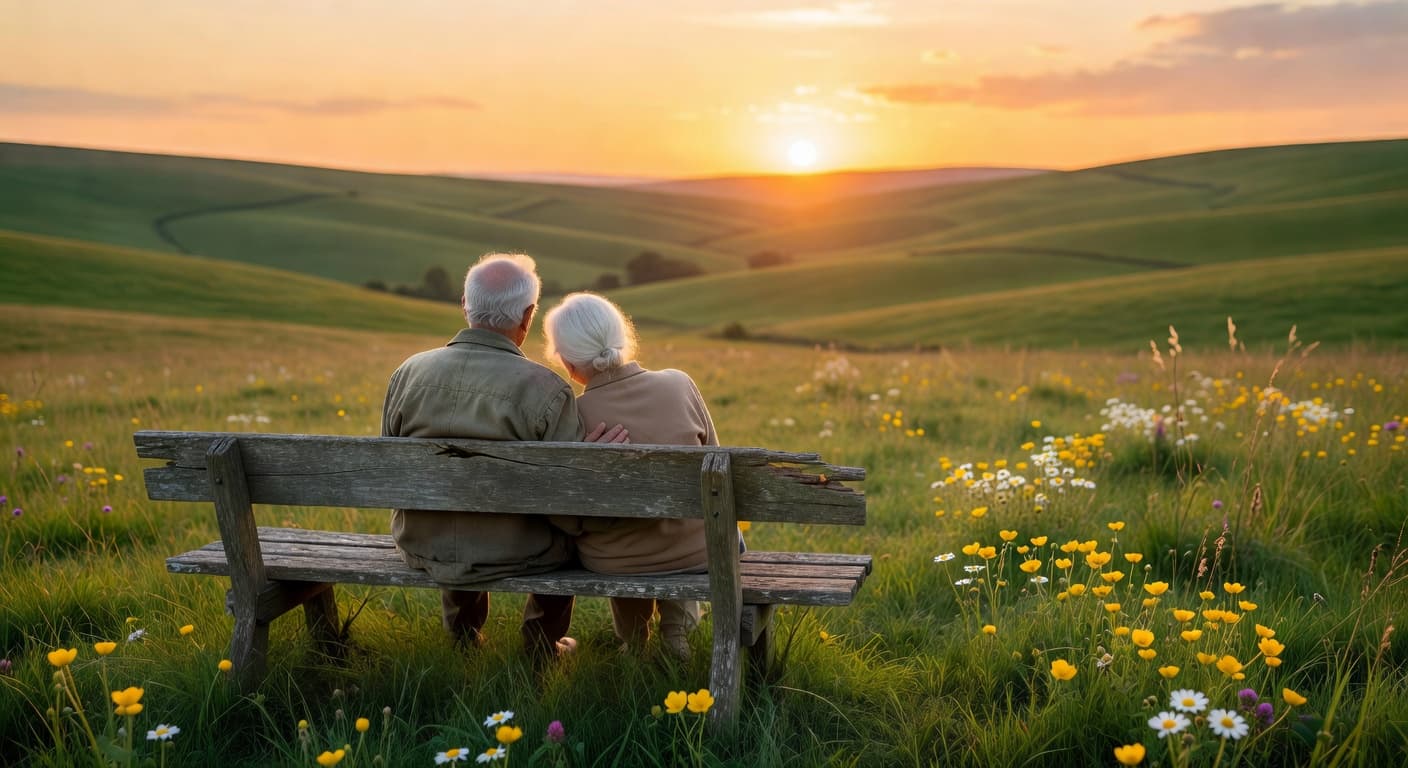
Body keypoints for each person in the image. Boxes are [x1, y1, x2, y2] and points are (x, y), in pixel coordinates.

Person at [382, 253, 625, 659]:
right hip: (520, 551)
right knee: (569, 536)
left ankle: (462, 636)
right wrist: (594, 469)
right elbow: (569, 507)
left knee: (454, 511)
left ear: (465, 304)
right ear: (528, 316)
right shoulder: (547, 388)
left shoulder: (408, 373)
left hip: (424, 544)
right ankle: (540, 646)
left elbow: (389, 474)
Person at [542, 292, 717, 659]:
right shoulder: (680, 384)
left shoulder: (574, 416)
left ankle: (635, 642)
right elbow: (716, 471)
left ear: (569, 363)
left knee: (617, 536)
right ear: (621, 338)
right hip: (699, 553)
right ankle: (676, 633)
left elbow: (568, 518)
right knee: (690, 527)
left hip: (616, 560)